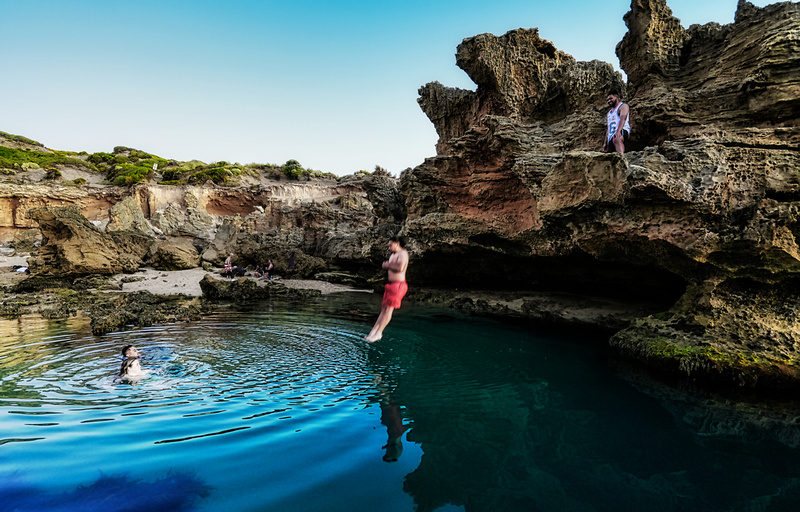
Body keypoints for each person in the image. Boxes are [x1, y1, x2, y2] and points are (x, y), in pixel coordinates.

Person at [365, 236, 409, 342]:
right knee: (383, 310)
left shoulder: (403, 254)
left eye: (390, 245)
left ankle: (379, 333)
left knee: (389, 310)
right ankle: (373, 332)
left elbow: (400, 268)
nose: (389, 247)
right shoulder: (393, 255)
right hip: (391, 285)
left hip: (398, 285)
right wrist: (388, 265)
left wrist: (387, 265)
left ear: (397, 243)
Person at [603, 90, 631, 154]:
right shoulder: (609, 113)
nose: (609, 101)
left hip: (621, 130)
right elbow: (608, 128)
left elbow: (623, 118)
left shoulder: (622, 106)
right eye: (607, 100)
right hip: (611, 135)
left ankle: (622, 157)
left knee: (617, 139)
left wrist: (618, 131)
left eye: (611, 98)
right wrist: (605, 142)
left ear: (616, 97)